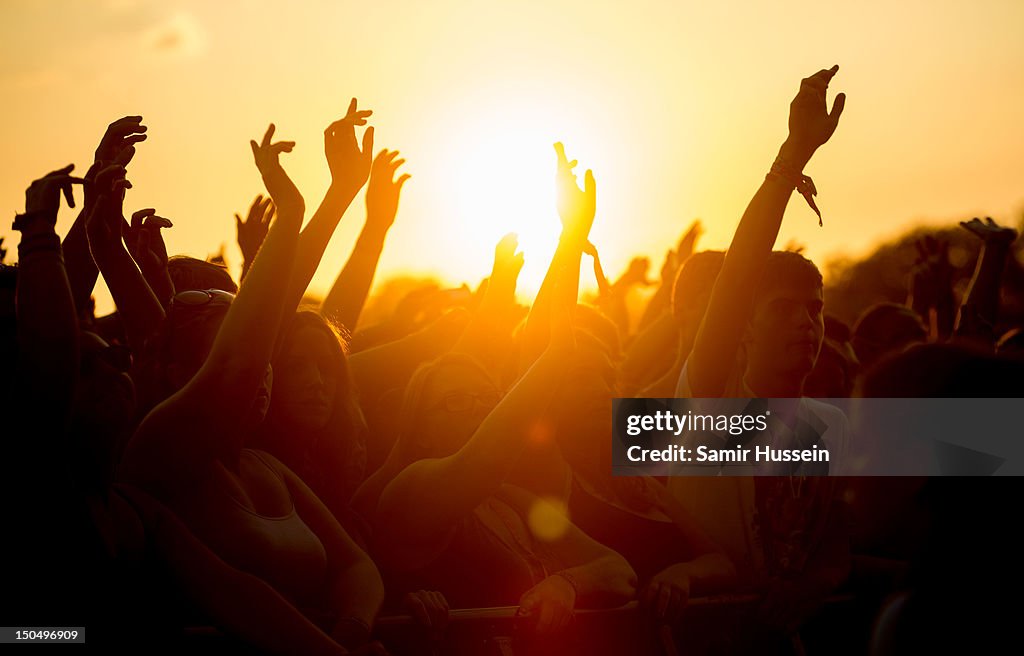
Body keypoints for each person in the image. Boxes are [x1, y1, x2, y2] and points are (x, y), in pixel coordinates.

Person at [119, 123, 385, 652]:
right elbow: (239, 598)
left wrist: (352, 632)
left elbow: (359, 567)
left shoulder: (266, 462)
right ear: (175, 371)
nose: (263, 372)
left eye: (269, 359)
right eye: (254, 356)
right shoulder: (161, 456)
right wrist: (294, 212)